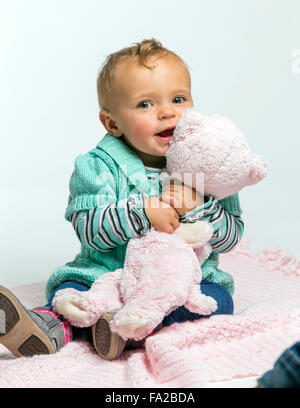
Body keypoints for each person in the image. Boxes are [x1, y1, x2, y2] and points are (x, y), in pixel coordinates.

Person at [0, 39, 244, 360]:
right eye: (145, 104)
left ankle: (132, 326)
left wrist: (201, 208)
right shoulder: (97, 165)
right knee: (70, 290)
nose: (167, 111)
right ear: (112, 123)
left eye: (178, 98)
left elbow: (231, 237)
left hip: (176, 282)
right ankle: (51, 324)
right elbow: (89, 228)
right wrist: (141, 212)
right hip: (104, 274)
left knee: (217, 298)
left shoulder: (209, 164)